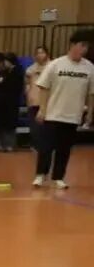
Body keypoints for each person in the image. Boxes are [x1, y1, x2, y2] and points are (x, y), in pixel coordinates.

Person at [32, 29, 94, 189]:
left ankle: (58, 177)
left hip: (73, 116)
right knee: (46, 147)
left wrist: (90, 113)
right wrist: (42, 109)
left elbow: (91, 93)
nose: (84, 49)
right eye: (82, 45)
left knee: (64, 149)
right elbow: (44, 87)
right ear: (72, 45)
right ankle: (40, 175)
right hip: (53, 114)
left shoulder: (89, 68)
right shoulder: (56, 64)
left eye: (87, 46)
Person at [0, 52, 23, 151]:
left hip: (11, 101)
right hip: (3, 102)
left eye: (6, 61)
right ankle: (2, 144)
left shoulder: (17, 71)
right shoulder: (6, 71)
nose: (4, 63)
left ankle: (10, 145)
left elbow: (12, 84)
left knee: (10, 125)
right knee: (2, 125)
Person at [25, 45, 51, 151]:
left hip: (48, 103)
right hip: (33, 102)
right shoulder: (30, 69)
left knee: (46, 128)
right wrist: (28, 98)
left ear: (47, 54)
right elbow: (27, 85)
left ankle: (47, 147)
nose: (40, 55)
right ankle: (36, 146)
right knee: (35, 128)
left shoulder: (52, 67)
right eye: (38, 53)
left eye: (42, 52)